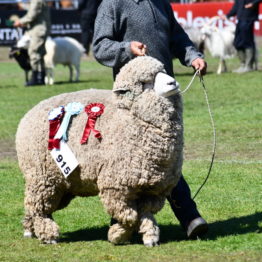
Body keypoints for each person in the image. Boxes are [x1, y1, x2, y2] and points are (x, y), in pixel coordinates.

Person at [92, 0, 208, 239]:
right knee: (132, 161)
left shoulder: (161, 3)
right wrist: (127, 48)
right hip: (134, 98)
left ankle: (127, 221)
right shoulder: (113, 4)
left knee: (164, 157)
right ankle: (185, 216)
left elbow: (177, 37)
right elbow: (100, 47)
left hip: (165, 98)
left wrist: (193, 56)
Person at [14, 0, 51, 86]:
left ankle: (35, 78)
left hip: (38, 30)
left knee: (34, 52)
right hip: (40, 29)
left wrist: (20, 21)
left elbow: (32, 15)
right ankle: (41, 77)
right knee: (40, 53)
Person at [225, 0, 262, 73]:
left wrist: (253, 3)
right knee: (237, 42)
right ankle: (243, 65)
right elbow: (236, 6)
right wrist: (228, 15)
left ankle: (249, 66)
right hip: (240, 19)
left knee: (247, 42)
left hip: (249, 18)